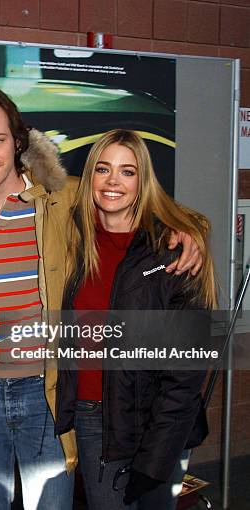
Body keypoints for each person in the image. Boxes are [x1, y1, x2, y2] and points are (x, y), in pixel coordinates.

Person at [0, 86, 203, 510]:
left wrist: (188, 231)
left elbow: (132, 200)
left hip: (45, 387)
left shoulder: (61, 198)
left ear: (18, 141)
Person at [55, 129, 214, 509]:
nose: (113, 182)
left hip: (159, 424)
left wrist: (155, 458)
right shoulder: (74, 240)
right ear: (89, 177)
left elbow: (185, 375)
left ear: (143, 181)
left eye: (127, 172)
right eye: (103, 169)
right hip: (95, 419)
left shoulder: (172, 250)